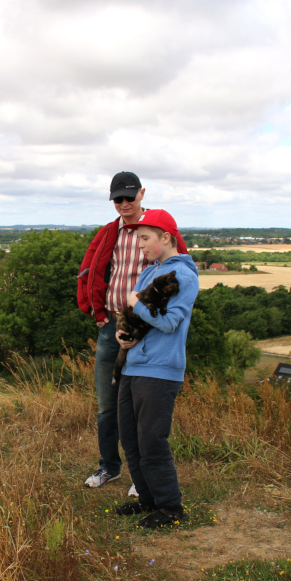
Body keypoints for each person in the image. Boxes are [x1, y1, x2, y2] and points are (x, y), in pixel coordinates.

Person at [76, 173, 190, 492]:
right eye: (118, 199)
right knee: (107, 405)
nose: (124, 204)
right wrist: (98, 313)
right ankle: (109, 467)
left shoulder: (158, 232)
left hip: (147, 329)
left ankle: (142, 477)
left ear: (142, 194)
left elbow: (179, 270)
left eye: (129, 197)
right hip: (111, 324)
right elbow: (91, 270)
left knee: (140, 407)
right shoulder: (109, 233)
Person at [112, 209, 199, 529]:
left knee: (151, 440)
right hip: (134, 366)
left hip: (160, 371)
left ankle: (170, 507)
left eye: (145, 239)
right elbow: (135, 315)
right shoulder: (152, 271)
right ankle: (147, 499)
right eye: (138, 240)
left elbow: (169, 321)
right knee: (131, 439)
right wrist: (124, 334)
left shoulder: (183, 276)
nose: (141, 246)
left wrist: (135, 304)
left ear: (166, 238)